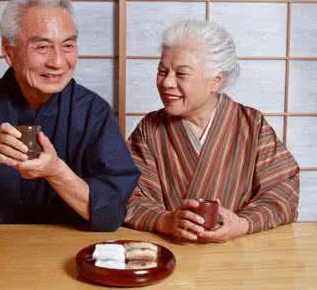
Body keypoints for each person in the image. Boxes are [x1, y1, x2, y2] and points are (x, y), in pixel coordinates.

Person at [0, 0, 139, 237]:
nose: (58, 62)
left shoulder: (93, 112)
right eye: (42, 47)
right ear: (9, 52)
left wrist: (56, 171)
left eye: (68, 46)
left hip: (71, 252)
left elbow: (112, 212)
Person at [124, 20, 299, 243]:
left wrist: (243, 224)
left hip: (238, 252)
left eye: (181, 74)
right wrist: (165, 220)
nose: (166, 82)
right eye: (162, 71)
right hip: (171, 251)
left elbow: (284, 189)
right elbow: (129, 194)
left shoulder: (251, 125)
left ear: (215, 80)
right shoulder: (150, 129)